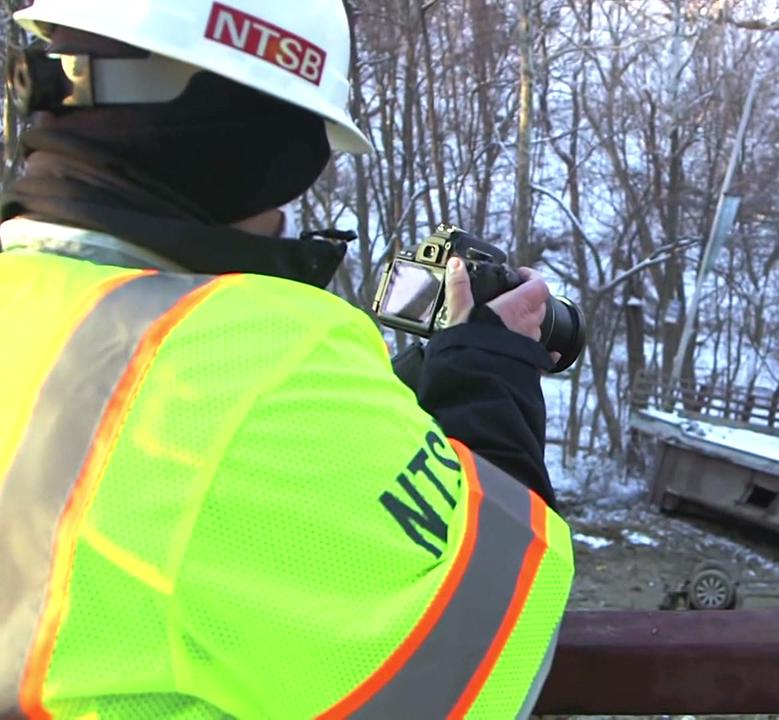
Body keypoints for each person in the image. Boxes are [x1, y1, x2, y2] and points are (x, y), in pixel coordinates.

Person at [0, 0, 573, 717]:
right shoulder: (254, 363)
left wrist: (394, 414)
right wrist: (490, 380)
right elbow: (482, 666)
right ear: (267, 149)